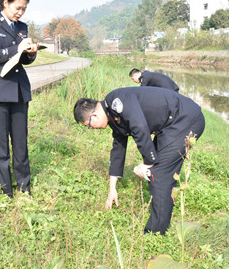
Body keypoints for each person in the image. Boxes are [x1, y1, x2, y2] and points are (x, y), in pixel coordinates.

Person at [73, 87, 205, 234]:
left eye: (89, 125)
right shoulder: (113, 116)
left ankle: (155, 234)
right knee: (159, 171)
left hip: (185, 119)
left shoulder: (116, 100)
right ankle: (162, 218)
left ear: (94, 115)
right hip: (170, 126)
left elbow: (139, 126)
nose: (92, 128)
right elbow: (118, 151)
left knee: (159, 175)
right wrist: (112, 188)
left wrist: (147, 163)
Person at [0, 0, 38, 197]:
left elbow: (22, 60)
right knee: (0, 145)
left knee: (21, 142)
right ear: (6, 2)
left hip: (19, 91)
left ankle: (24, 187)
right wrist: (18, 48)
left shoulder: (22, 27)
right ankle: (5, 191)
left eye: (23, 9)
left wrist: (30, 54)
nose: (20, 13)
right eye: (17, 7)